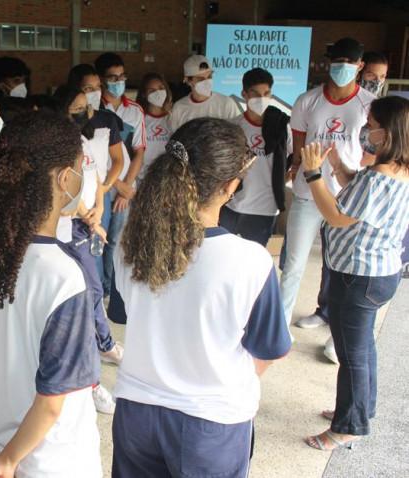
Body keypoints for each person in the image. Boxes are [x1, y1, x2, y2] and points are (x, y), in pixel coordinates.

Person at [109, 118, 292, 477]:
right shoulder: (250, 260)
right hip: (211, 425)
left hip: (136, 415)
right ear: (230, 186)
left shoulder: (130, 246)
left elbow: (124, 314)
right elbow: (270, 349)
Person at [0, 111, 102, 478]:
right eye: (80, 166)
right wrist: (7, 462)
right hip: (56, 459)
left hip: (3, 443)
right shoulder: (66, 276)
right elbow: (53, 401)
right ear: (65, 178)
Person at [301, 95, 409, 450]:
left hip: (358, 277)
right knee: (363, 350)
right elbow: (356, 193)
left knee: (352, 355)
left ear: (388, 133)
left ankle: (347, 426)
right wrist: (334, 164)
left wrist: (313, 172)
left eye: (372, 126)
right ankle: (362, 409)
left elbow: (335, 215)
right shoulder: (398, 171)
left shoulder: (379, 176)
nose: (365, 131)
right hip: (380, 273)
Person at [283, 38, 375, 364]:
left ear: (360, 65)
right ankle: (280, 328)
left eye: (349, 61)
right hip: (309, 193)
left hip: (347, 197)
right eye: (337, 60)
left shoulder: (368, 104)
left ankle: (337, 337)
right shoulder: (307, 101)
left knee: (342, 269)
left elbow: (372, 155)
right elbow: (298, 146)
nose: (342, 66)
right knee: (293, 263)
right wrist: (296, 168)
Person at [53, 85, 123, 414]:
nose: (85, 112)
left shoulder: (82, 140)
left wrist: (97, 210)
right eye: (78, 107)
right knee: (86, 296)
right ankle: (94, 374)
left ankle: (102, 347)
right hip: (68, 230)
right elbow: (67, 188)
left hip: (84, 223)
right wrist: (91, 219)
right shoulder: (59, 145)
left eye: (86, 107)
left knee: (92, 292)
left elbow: (93, 175)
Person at [67, 64, 125, 291]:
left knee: (97, 247)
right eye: (87, 88)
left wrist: (103, 194)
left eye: (97, 87)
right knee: (76, 249)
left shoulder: (107, 120)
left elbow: (117, 160)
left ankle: (99, 292)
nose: (95, 92)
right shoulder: (68, 123)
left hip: (100, 196)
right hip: (72, 200)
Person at [219, 68, 292, 246]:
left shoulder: (282, 126)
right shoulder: (234, 126)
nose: (261, 99)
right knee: (228, 256)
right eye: (255, 94)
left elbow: (293, 157)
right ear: (244, 94)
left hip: (264, 209)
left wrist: (282, 180)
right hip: (232, 205)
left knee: (253, 262)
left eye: (266, 93)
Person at [95, 52, 146, 298]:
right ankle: (100, 289)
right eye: (112, 77)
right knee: (98, 240)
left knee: (116, 241)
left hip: (125, 186)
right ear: (102, 80)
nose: (119, 81)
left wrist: (126, 186)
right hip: (100, 186)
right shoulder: (93, 108)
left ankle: (113, 290)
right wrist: (115, 184)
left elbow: (139, 152)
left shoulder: (135, 110)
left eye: (122, 76)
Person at [170, 54, 240, 132]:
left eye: (209, 77)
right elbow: (175, 139)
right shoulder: (179, 108)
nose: (207, 82)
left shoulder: (227, 104)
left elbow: (237, 136)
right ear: (188, 81)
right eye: (200, 79)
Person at [136, 72, 172, 178]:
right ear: (144, 94)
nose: (158, 93)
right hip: (143, 177)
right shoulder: (139, 118)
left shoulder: (173, 117)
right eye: (152, 90)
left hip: (167, 176)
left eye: (161, 88)